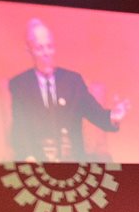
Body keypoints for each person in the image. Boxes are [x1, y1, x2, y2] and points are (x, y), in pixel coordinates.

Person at [9, 18, 127, 162]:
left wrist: (113, 117)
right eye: (39, 48)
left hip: (73, 162)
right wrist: (29, 157)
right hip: (37, 161)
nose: (46, 53)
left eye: (50, 46)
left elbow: (96, 114)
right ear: (29, 50)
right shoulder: (20, 85)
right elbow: (19, 129)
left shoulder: (73, 81)